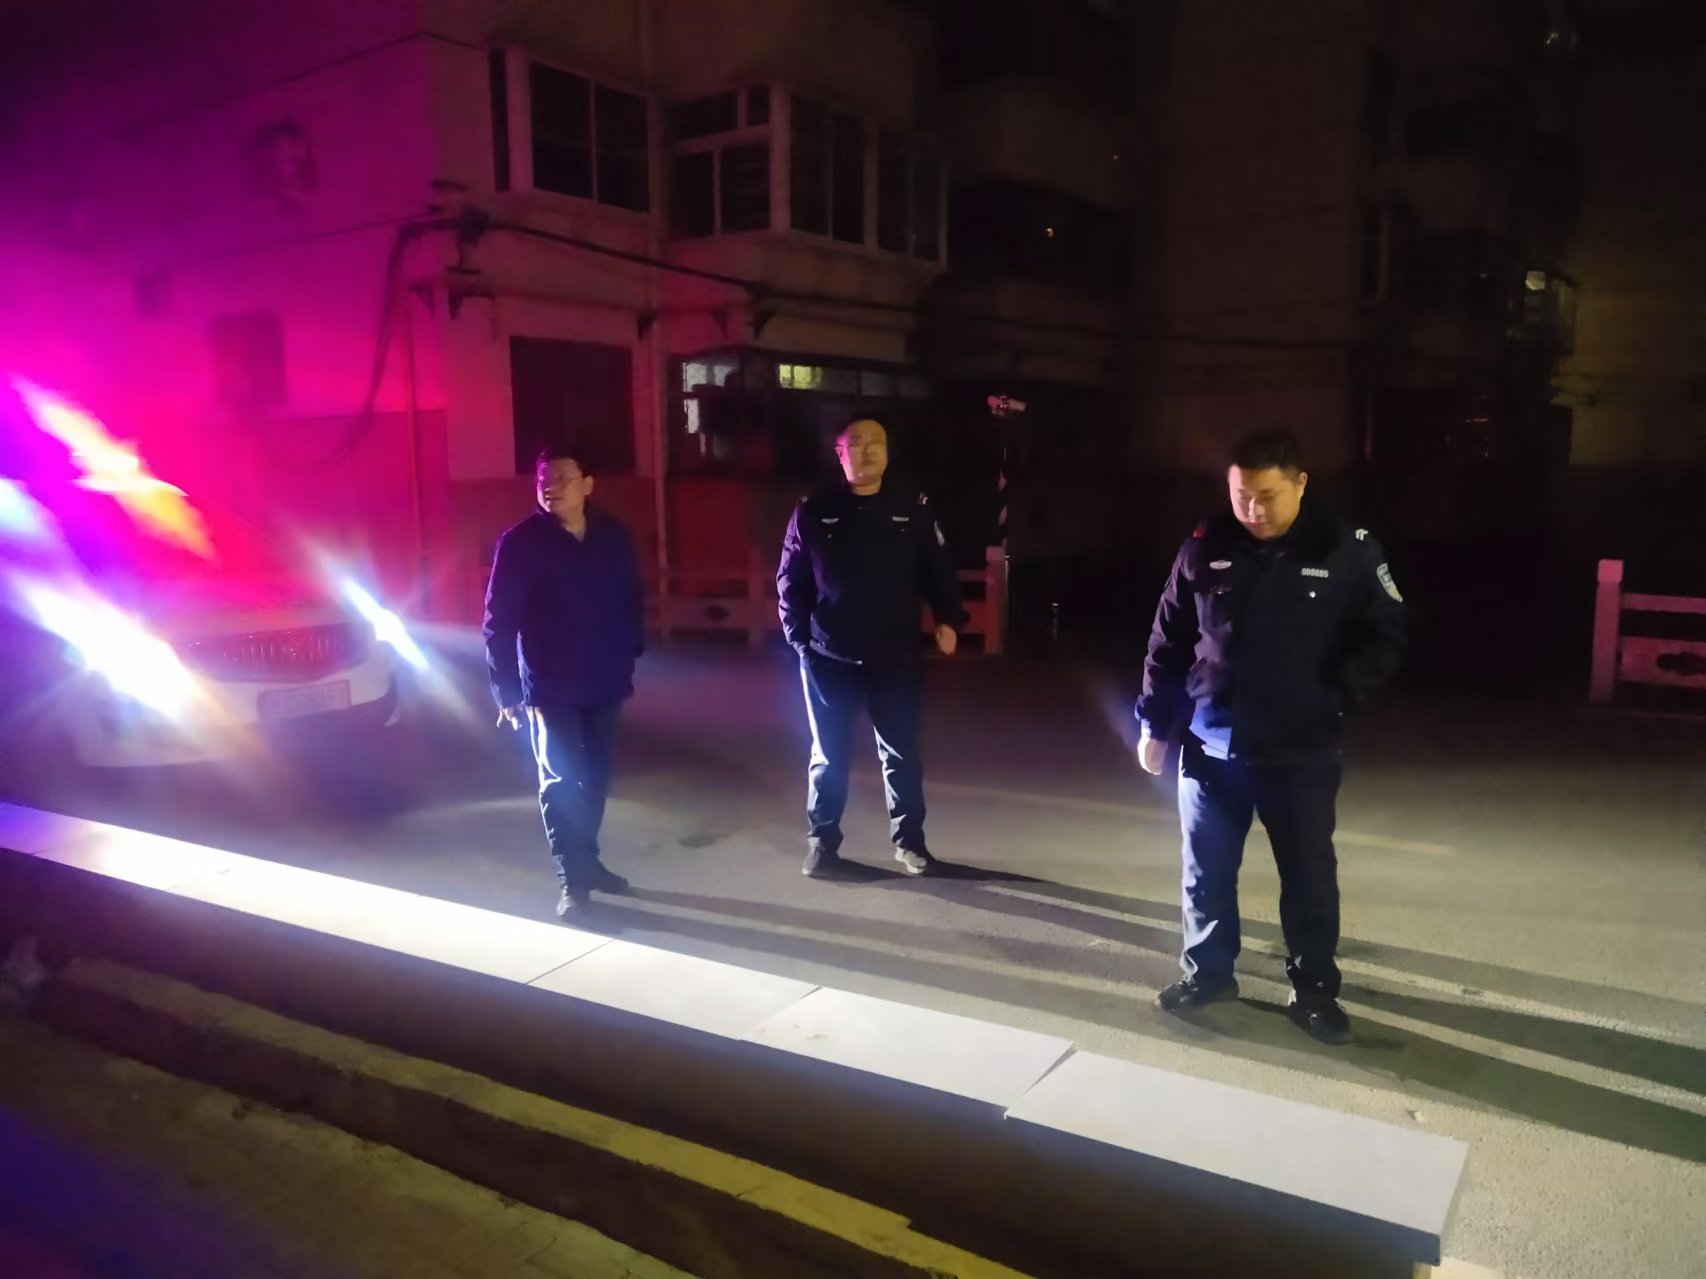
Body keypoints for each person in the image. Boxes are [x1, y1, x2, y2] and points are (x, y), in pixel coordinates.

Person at [1135, 429, 1406, 1044]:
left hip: (1300, 748)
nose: (1254, 509)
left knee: (1308, 877)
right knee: (1205, 872)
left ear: (1300, 484)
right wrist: (1154, 722)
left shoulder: (1345, 549)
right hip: (1212, 744)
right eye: (1242, 495)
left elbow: (1387, 634)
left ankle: (1314, 992)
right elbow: (1168, 638)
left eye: (1267, 495)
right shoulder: (1203, 548)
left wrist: (1335, 696)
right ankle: (1208, 975)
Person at [777, 418, 967, 878]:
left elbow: (937, 570)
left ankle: (911, 844)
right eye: (857, 444)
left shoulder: (912, 507)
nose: (868, 451)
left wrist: (948, 618)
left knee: (900, 752)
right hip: (828, 656)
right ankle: (822, 844)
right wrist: (800, 640)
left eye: (877, 443)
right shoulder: (814, 510)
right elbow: (790, 579)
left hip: (895, 656)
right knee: (829, 755)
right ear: (839, 453)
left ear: (888, 452)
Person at [484, 447, 645, 919]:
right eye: (542, 479)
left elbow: (631, 597)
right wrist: (506, 688)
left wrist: (631, 650)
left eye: (562, 478)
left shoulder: (611, 535)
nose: (550, 487)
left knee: (596, 777)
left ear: (587, 484)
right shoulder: (520, 543)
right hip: (550, 685)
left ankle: (588, 861)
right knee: (561, 781)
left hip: (605, 678)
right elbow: (498, 621)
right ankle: (571, 881)